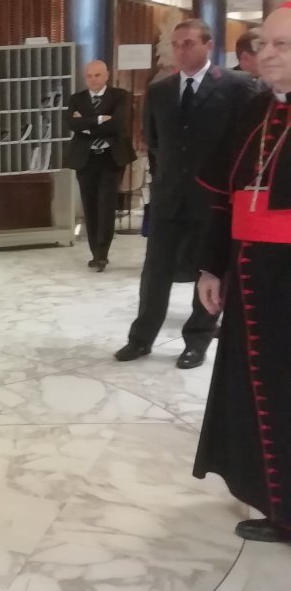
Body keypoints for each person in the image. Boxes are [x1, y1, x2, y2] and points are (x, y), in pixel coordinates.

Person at [193, 2, 291, 545]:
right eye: (263, 44)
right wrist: (212, 266)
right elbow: (222, 199)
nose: (267, 54)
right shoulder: (254, 109)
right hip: (253, 279)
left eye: (282, 44)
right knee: (261, 392)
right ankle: (280, 505)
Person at [115, 18, 254, 370]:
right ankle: (141, 338)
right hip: (169, 196)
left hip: (212, 198)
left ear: (209, 45)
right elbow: (153, 140)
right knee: (155, 271)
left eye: (188, 43)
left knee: (207, 271)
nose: (180, 51)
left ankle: (197, 340)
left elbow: (242, 144)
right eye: (176, 45)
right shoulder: (160, 90)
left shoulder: (236, 87)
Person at [65, 59, 136, 271]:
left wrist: (86, 124)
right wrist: (100, 119)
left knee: (106, 205)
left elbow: (118, 123)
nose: (93, 80)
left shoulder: (120, 96)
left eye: (97, 75)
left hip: (110, 158)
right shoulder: (76, 99)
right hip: (85, 159)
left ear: (106, 76)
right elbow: (72, 124)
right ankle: (94, 251)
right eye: (89, 76)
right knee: (90, 206)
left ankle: (102, 254)